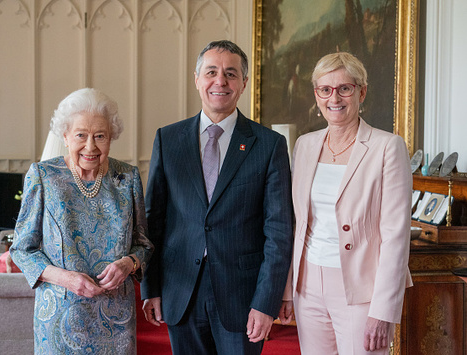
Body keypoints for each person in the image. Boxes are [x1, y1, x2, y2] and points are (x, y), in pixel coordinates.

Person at [140, 40, 293, 354]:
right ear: (197, 79)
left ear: (243, 83)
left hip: (243, 297)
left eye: (231, 74)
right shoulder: (167, 139)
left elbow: (278, 232)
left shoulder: (269, 145)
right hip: (181, 290)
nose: (220, 81)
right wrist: (150, 289)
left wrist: (266, 303)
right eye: (211, 72)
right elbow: (153, 220)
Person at [278, 52, 413, 354]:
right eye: (325, 89)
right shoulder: (305, 145)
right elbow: (296, 224)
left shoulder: (387, 147)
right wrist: (288, 290)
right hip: (308, 286)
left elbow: (396, 236)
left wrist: (384, 310)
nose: (334, 98)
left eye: (345, 88)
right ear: (316, 95)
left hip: (362, 288)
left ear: (361, 92)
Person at [10, 88, 153, 354]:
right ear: (65, 136)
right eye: (81, 135)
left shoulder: (128, 178)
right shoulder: (43, 176)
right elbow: (21, 250)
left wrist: (128, 263)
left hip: (116, 319)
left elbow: (143, 244)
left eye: (100, 136)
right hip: (59, 317)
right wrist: (66, 279)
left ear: (111, 138)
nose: (91, 146)